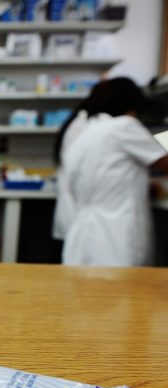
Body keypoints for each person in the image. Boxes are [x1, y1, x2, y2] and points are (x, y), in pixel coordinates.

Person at [53, 77, 168, 266]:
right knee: (119, 293)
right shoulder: (123, 126)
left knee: (87, 294)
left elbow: (106, 177)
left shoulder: (87, 132)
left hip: (83, 235)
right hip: (116, 235)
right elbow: (164, 162)